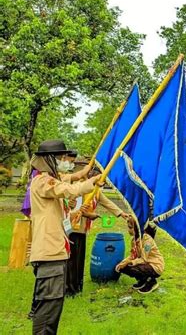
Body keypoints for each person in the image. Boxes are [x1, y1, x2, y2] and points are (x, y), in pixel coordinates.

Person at [29, 140, 101, 334]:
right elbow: (68, 188)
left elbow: (66, 183)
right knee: (47, 311)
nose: (64, 161)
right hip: (48, 254)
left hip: (55, 251)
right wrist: (91, 182)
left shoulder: (49, 180)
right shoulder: (42, 180)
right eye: (61, 158)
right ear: (49, 160)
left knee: (52, 308)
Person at [65, 166, 130, 297]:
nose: (103, 183)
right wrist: (89, 215)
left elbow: (108, 203)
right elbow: (74, 211)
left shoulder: (96, 192)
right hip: (73, 229)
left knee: (79, 259)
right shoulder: (80, 188)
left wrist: (122, 214)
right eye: (101, 180)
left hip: (82, 230)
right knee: (71, 260)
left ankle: (77, 287)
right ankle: (69, 289)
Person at [116, 218, 164, 294]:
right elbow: (132, 256)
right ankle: (143, 281)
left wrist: (131, 262)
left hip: (154, 266)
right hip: (144, 264)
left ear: (137, 228)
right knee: (123, 267)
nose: (129, 230)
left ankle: (152, 282)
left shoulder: (147, 240)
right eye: (128, 227)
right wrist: (122, 264)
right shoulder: (134, 240)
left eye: (130, 227)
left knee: (132, 267)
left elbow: (143, 259)